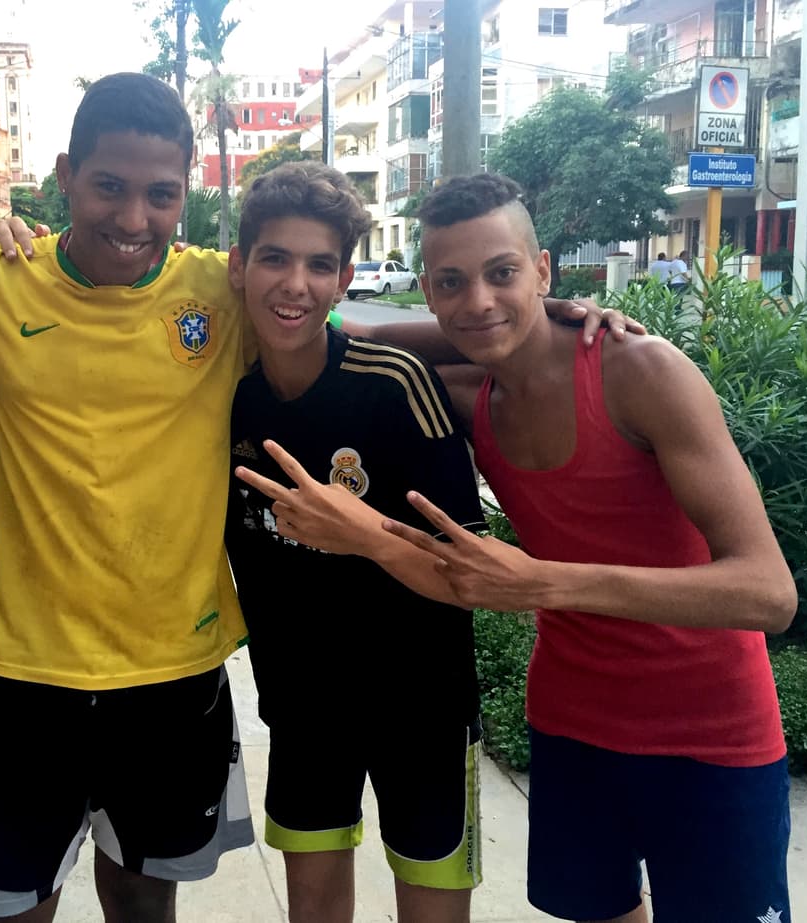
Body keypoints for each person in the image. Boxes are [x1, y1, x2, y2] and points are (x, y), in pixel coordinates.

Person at [0, 74, 636, 923]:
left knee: (148, 906)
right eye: (110, 187)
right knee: (3, 908)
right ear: (64, 178)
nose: (134, 217)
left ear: (189, 192)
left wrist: (532, 317)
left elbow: (325, 318)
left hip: (176, 680)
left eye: (161, 194)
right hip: (27, 675)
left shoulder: (218, 284)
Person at [243, 173, 796, 923]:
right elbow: (349, 335)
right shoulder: (476, 400)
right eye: (451, 281)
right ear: (430, 293)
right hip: (573, 726)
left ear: (543, 269)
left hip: (710, 735)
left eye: (503, 272)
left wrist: (545, 582)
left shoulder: (640, 370)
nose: (477, 301)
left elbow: (769, 592)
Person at [225, 161, 484, 923]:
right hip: (302, 707)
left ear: (343, 280)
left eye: (318, 265)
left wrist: (362, 534)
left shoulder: (394, 384)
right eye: (274, 258)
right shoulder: (227, 391)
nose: (294, 285)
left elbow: (471, 574)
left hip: (423, 709)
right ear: (239, 266)